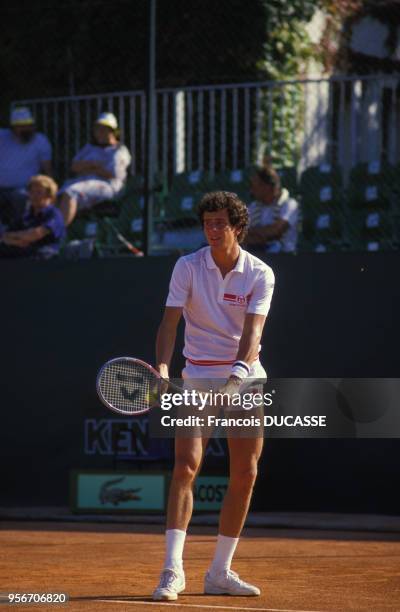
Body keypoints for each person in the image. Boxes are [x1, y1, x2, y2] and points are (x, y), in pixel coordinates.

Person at [152, 191, 275, 601]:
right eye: (207, 223)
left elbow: (253, 333)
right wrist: (165, 367)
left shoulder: (260, 273)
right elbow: (169, 323)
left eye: (221, 223)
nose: (213, 229)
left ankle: (220, 572)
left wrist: (238, 375)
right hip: (198, 377)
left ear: (238, 227)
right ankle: (172, 570)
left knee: (246, 472)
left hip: (245, 377)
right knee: (186, 465)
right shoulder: (187, 267)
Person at [58, 112, 131, 226]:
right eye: (97, 129)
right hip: (85, 182)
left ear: (113, 131)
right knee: (57, 194)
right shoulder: (89, 147)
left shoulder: (119, 150)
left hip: (109, 187)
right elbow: (74, 167)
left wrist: (88, 167)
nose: (99, 132)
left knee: (71, 192)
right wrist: (94, 165)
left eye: (104, 129)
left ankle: (58, 232)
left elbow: (112, 174)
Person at [0, 107, 52, 226]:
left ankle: (20, 231)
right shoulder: (3, 136)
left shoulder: (40, 141)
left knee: (20, 197)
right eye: (20, 126)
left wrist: (50, 190)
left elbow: (47, 168)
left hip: (25, 188)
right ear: (12, 128)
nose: (25, 129)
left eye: (28, 125)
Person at [0, 175, 65, 259]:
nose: (34, 196)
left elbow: (35, 234)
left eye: (39, 192)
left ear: (50, 196)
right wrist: (16, 241)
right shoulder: (26, 215)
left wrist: (15, 236)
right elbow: (5, 236)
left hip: (44, 257)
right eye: (31, 192)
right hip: (21, 253)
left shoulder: (54, 214)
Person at [246, 165, 299, 253]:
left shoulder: (289, 204)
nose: (251, 191)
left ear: (266, 187)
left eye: (254, 186)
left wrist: (252, 232)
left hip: (284, 256)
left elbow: (276, 231)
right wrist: (263, 235)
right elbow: (242, 234)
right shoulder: (253, 206)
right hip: (257, 254)